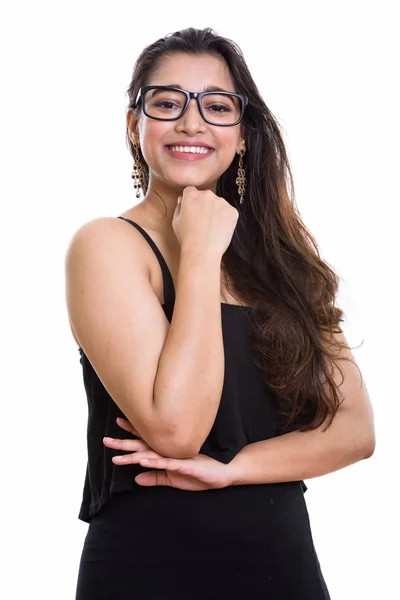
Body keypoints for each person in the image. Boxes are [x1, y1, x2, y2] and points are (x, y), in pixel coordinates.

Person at [65, 27, 375, 600]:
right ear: (135, 126)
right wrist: (202, 250)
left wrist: (232, 468)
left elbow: (354, 430)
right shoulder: (108, 245)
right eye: (166, 103)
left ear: (244, 136)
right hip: (150, 569)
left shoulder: (283, 263)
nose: (191, 122)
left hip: (283, 568)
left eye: (217, 105)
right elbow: (178, 430)